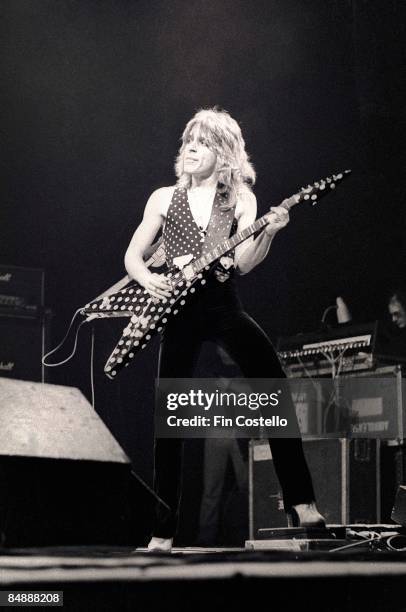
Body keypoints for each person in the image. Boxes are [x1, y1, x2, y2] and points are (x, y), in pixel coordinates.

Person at [124, 107, 325, 552]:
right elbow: (132, 256)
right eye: (188, 140)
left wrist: (270, 233)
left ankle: (302, 501)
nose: (191, 147)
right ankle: (163, 530)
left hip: (221, 304)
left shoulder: (239, 200)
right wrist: (146, 278)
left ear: (225, 154)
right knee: (170, 420)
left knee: (273, 388)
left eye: (204, 141)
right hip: (176, 311)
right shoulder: (162, 198)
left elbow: (244, 263)